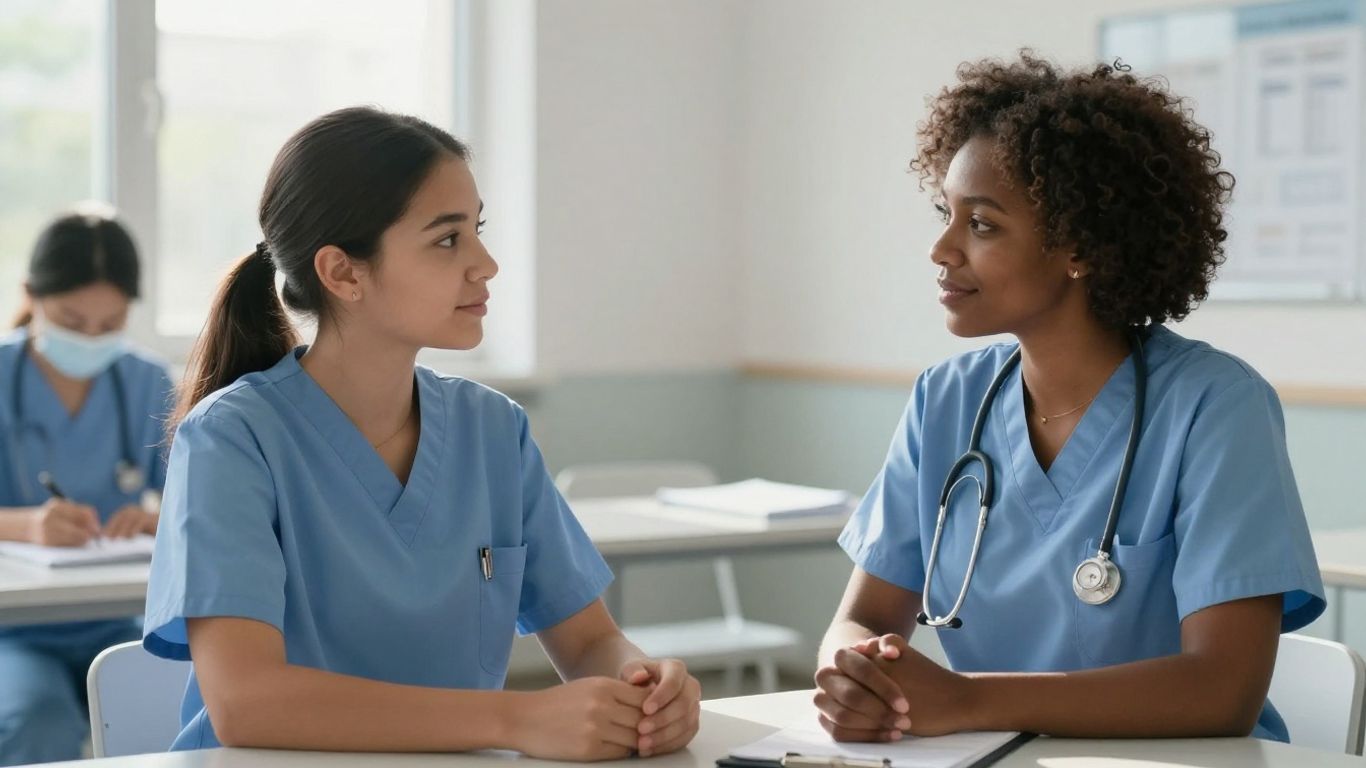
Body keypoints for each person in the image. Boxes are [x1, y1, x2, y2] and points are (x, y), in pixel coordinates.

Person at [142, 107, 700, 758]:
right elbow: (247, 703)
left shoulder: (494, 429)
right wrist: (514, 720)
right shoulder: (232, 439)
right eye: (447, 239)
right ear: (343, 273)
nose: (486, 264)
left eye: (477, 231)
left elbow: (589, 642)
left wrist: (646, 686)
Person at [816, 53, 1324, 743]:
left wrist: (969, 700)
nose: (941, 248)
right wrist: (856, 676)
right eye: (945, 213)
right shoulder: (945, 400)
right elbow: (862, 621)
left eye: (981, 224)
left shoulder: (1216, 406)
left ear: (1079, 247)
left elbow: (1223, 689)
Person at [0, 206, 173, 765]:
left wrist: (156, 518)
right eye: (73, 322)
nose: (92, 338)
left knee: (167, 706)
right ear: (31, 295)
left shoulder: (146, 380)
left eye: (110, 323)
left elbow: (198, 499)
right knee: (36, 719)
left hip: (117, 617)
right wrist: (27, 525)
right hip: (13, 628)